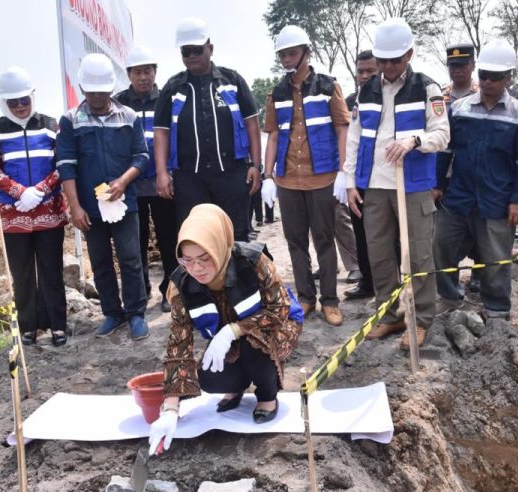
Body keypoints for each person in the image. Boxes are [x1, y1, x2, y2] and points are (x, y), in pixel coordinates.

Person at [147, 204, 303, 453]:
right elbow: (179, 344)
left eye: (204, 258)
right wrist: (170, 409)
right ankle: (236, 387)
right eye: (187, 260)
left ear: (220, 247)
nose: (196, 269)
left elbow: (279, 309)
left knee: (255, 350)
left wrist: (233, 331)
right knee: (210, 376)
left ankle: (267, 397)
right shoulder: (181, 285)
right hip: (226, 336)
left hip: (275, 325)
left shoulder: (252, 261)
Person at [344, 18, 450, 349]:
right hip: (374, 185)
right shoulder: (367, 90)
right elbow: (354, 137)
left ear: (409, 54)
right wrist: (350, 182)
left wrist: (414, 141)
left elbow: (442, 134)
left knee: (418, 255)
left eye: (395, 59)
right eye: (383, 60)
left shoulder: (427, 88)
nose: (388, 66)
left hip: (413, 185)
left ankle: (420, 320)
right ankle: (388, 316)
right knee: (379, 255)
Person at [434, 40, 518, 319]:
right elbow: (446, 150)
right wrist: (438, 185)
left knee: (496, 260)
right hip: (459, 196)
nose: (487, 81)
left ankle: (497, 309)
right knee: (441, 246)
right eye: (484, 75)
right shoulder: (460, 109)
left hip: (498, 199)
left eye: (495, 77)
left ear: (509, 78)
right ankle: (450, 296)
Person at [56, 53, 151, 340]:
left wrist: (123, 181)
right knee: (100, 261)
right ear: (83, 88)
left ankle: (136, 314)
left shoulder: (128, 116)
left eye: (102, 91)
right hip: (89, 208)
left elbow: (142, 155)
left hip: (125, 203)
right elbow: (66, 166)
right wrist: (75, 207)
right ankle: (112, 313)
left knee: (131, 258)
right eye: (91, 91)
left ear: (111, 88)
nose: (97, 97)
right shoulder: (71, 120)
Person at [261, 25, 350, 326]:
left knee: (324, 240)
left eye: (292, 53)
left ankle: (330, 300)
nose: (287, 58)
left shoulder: (328, 86)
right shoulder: (276, 92)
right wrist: (268, 175)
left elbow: (342, 128)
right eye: (283, 54)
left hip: (322, 177)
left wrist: (342, 172)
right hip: (288, 180)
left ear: (306, 53)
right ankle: (306, 298)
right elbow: (273, 135)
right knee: (295, 241)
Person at [153, 17, 262, 243]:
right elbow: (161, 132)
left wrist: (255, 165)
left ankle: (235, 279)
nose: (192, 56)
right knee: (196, 237)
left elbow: (252, 124)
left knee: (236, 235)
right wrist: (163, 173)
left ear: (210, 49)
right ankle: (201, 280)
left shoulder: (232, 81)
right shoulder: (173, 88)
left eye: (197, 50)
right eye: (186, 51)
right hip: (189, 178)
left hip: (232, 173)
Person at [0, 67, 68, 347]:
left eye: (24, 100)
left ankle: (57, 324)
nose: (20, 106)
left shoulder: (50, 124)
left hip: (49, 211)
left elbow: (62, 164)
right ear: (4, 103)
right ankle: (28, 326)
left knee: (51, 270)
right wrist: (20, 192)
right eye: (13, 102)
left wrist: (41, 190)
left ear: (33, 96)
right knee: (21, 274)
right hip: (14, 215)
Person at [115, 45, 178, 312]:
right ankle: (141, 291)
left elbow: (176, 137)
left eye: (148, 71)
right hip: (131, 186)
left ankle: (170, 291)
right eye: (138, 72)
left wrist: (172, 173)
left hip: (163, 182)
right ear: (129, 74)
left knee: (169, 239)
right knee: (135, 243)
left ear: (155, 72)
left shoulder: (168, 98)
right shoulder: (118, 103)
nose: (144, 77)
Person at [436, 42, 483, 295]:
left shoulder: (482, 92)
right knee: (448, 232)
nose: (457, 71)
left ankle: (479, 272)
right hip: (446, 173)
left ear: (472, 65)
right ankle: (449, 283)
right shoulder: (440, 96)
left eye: (462, 65)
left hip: (472, 171)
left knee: (478, 228)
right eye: (453, 66)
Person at [342, 49, 379, 301]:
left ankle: (390, 281)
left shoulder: (390, 98)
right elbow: (349, 142)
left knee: (387, 236)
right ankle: (367, 281)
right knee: (361, 232)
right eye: (361, 71)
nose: (364, 76)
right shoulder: (351, 101)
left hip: (385, 179)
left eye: (370, 71)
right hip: (359, 178)